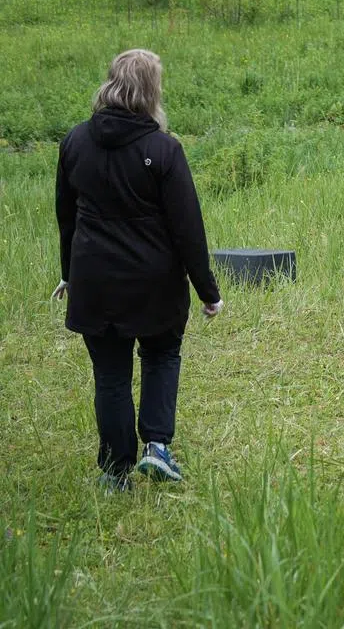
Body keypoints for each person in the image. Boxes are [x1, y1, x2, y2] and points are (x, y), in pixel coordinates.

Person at [53, 49, 223, 493]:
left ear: (111, 83)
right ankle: (157, 449)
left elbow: (66, 218)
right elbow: (188, 228)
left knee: (110, 375)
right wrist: (207, 289)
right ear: (151, 90)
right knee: (161, 356)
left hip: (94, 280)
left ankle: (114, 471)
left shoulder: (74, 141)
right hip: (155, 284)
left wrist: (69, 273)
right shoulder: (163, 149)